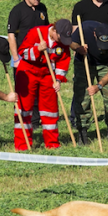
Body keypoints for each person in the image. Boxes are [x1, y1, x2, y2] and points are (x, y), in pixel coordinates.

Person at [14, 20, 72, 150]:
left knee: (50, 110)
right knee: (24, 108)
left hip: (48, 74)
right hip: (28, 72)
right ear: (54, 31)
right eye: (60, 37)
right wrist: (37, 49)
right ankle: (22, 145)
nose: (62, 41)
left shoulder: (63, 41)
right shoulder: (37, 32)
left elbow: (63, 60)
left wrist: (58, 79)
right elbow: (22, 52)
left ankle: (52, 144)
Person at [71, 20, 108, 143]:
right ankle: (82, 132)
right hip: (84, 61)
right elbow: (70, 42)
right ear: (94, 34)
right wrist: (78, 48)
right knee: (82, 96)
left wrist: (99, 86)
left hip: (106, 64)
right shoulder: (85, 28)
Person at [8, 0, 50, 129]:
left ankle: (36, 121)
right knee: (25, 91)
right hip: (23, 58)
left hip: (39, 57)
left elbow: (47, 31)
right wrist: (15, 59)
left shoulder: (42, 8)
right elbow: (11, 35)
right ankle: (23, 120)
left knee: (39, 88)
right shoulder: (17, 11)